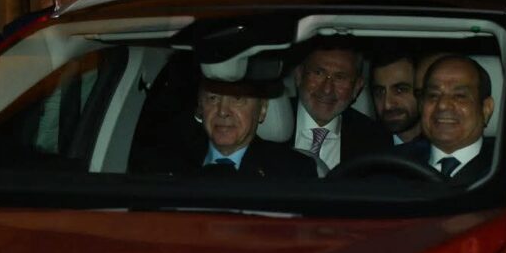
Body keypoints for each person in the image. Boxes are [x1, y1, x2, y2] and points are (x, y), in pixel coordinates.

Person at [153, 74, 316, 179]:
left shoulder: (293, 172)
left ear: (262, 110)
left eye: (237, 99)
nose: (223, 111)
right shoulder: (163, 165)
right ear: (201, 107)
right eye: (213, 98)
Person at [288, 38, 392, 172]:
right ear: (299, 75)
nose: (327, 89)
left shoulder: (375, 140)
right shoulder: (265, 126)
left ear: (357, 87)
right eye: (318, 73)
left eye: (340, 77)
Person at [403, 55, 496, 184]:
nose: (442, 105)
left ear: (486, 109)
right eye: (433, 95)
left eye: (459, 96)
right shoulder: (391, 165)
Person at [369, 45, 422, 142]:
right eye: (380, 92)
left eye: (400, 90)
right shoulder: (363, 146)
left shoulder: (445, 144)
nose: (387, 105)